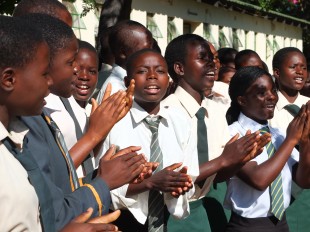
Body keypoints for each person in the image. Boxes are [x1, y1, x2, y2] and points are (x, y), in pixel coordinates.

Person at [18, 13, 146, 230]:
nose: (77, 70)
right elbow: (49, 201)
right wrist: (102, 177)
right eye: (71, 61)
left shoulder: (61, 107)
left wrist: (106, 172)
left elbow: (59, 176)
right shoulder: (30, 115)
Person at [0, 15, 120, 232]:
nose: (49, 81)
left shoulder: (15, 136)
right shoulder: (26, 125)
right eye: (44, 73)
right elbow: (53, 213)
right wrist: (103, 180)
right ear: (9, 80)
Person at [163, 34, 267, 232]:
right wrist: (224, 160)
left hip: (207, 209)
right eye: (202, 58)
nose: (212, 64)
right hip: (174, 213)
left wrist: (239, 159)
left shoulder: (215, 111)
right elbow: (176, 179)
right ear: (179, 68)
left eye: (212, 59)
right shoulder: (167, 113)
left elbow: (218, 176)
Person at [98, 48, 195, 232]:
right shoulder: (112, 121)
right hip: (120, 221)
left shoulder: (181, 122)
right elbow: (100, 185)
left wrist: (179, 186)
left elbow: (190, 177)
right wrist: (148, 183)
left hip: (164, 220)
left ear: (169, 80)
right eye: (142, 71)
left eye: (160, 71)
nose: (152, 77)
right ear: (128, 82)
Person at [225, 66, 310, 232]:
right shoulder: (232, 134)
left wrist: (306, 142)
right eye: (262, 92)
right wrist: (292, 139)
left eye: (273, 90)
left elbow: (303, 181)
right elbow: (259, 180)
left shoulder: (277, 135)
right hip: (249, 226)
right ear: (242, 100)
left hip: (280, 223)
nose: (272, 97)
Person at [269, 47, 310, 232]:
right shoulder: (267, 108)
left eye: (304, 67)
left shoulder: (308, 105)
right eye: (293, 67)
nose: (300, 72)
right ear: (277, 72)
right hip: (282, 191)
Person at [96, 20, 154, 101]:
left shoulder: (132, 81)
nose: (151, 55)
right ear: (123, 53)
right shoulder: (116, 90)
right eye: (144, 51)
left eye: (151, 50)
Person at [73, 40, 99, 116]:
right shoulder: (55, 111)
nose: (84, 77)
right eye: (77, 70)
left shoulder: (93, 111)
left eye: (92, 71)